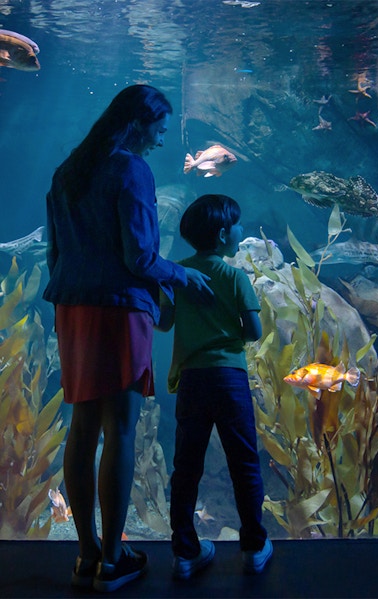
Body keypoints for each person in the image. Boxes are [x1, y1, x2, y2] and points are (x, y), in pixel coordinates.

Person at [43, 84, 212, 593]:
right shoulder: (131, 170)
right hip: (118, 309)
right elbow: (139, 258)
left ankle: (88, 553)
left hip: (72, 308)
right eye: (159, 129)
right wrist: (183, 277)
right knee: (119, 428)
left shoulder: (67, 172)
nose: (161, 141)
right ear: (139, 124)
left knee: (82, 425)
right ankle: (114, 561)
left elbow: (55, 255)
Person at [158, 194, 273, 580]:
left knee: (186, 466)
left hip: (192, 379)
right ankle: (254, 547)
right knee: (244, 462)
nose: (241, 230)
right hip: (229, 379)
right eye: (237, 225)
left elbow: (163, 322)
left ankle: (185, 552)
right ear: (224, 234)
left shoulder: (177, 274)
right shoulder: (236, 276)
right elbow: (254, 333)